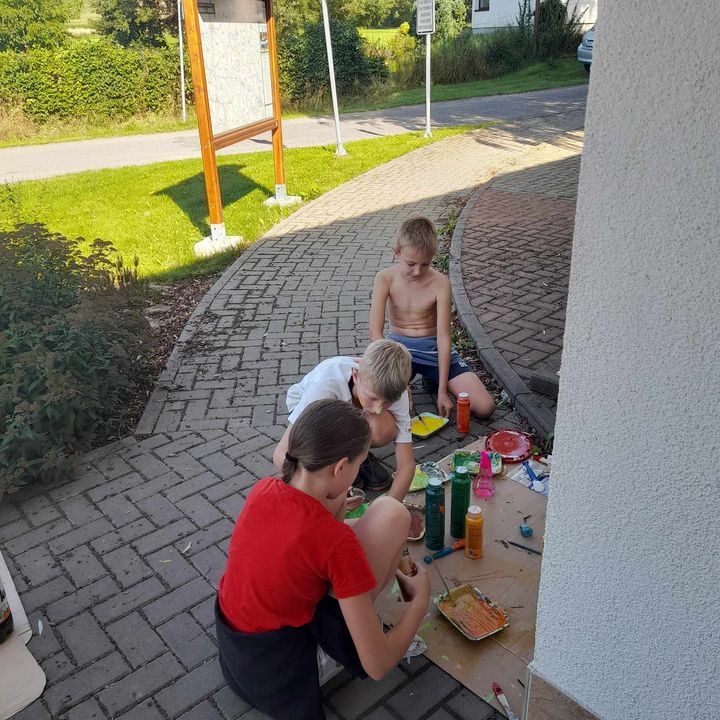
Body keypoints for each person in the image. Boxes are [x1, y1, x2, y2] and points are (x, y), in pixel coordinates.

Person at [216, 399, 431, 720]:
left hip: (239, 659)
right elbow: (379, 666)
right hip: (284, 678)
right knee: (391, 513)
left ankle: (359, 622)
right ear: (340, 467)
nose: (357, 477)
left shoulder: (265, 488)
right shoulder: (335, 543)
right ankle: (360, 633)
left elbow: (309, 533)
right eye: (359, 465)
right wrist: (420, 602)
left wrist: (339, 499)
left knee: (384, 514)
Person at [370, 216, 495, 419]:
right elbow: (376, 334)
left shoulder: (441, 283)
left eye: (425, 264)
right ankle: (416, 379)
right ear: (397, 252)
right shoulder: (384, 279)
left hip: (433, 350)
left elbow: (443, 338)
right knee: (377, 399)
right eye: (411, 263)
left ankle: (434, 379)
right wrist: (398, 385)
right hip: (399, 351)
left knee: (485, 407)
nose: (417, 271)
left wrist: (443, 391)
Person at [272, 339, 415, 500]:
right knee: (323, 472)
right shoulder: (325, 386)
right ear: (356, 375)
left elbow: (407, 465)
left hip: (349, 415)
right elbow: (281, 454)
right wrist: (318, 486)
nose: (378, 409)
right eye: (373, 397)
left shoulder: (396, 392)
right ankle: (341, 461)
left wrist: (389, 505)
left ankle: (358, 458)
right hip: (313, 411)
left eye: (387, 402)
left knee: (384, 429)